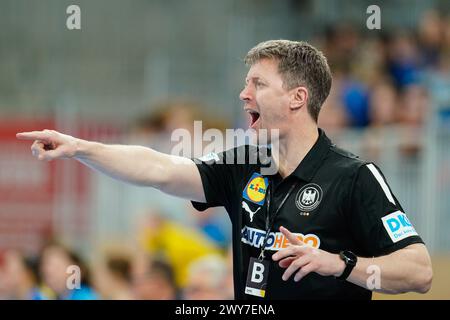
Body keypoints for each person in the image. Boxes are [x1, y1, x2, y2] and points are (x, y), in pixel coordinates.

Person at [16, 40, 432, 300]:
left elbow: (419, 271)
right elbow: (160, 168)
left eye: (257, 84)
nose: (242, 93)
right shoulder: (243, 165)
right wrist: (80, 149)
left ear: (297, 98)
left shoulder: (355, 176)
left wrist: (339, 264)